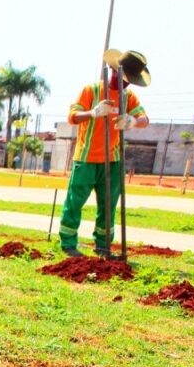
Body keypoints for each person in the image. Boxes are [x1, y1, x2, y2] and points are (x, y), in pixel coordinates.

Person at [59, 49, 150, 257]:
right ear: (112, 70)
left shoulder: (129, 98)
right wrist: (92, 113)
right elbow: (72, 116)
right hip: (86, 158)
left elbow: (145, 119)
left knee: (108, 207)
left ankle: (103, 246)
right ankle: (68, 243)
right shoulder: (91, 90)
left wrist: (133, 121)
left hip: (113, 161)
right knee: (74, 202)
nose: (125, 83)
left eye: (130, 80)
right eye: (123, 77)